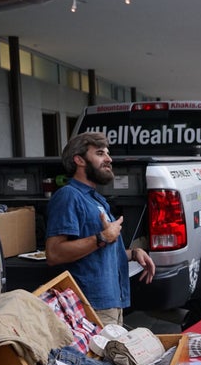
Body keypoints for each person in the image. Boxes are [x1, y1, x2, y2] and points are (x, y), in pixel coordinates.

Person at [46, 132, 156, 326]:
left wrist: (133, 253)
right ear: (79, 160)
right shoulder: (68, 196)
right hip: (90, 307)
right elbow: (54, 253)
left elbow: (100, 251)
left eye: (107, 153)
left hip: (111, 303)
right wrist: (103, 237)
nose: (109, 159)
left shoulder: (94, 198)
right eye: (100, 153)